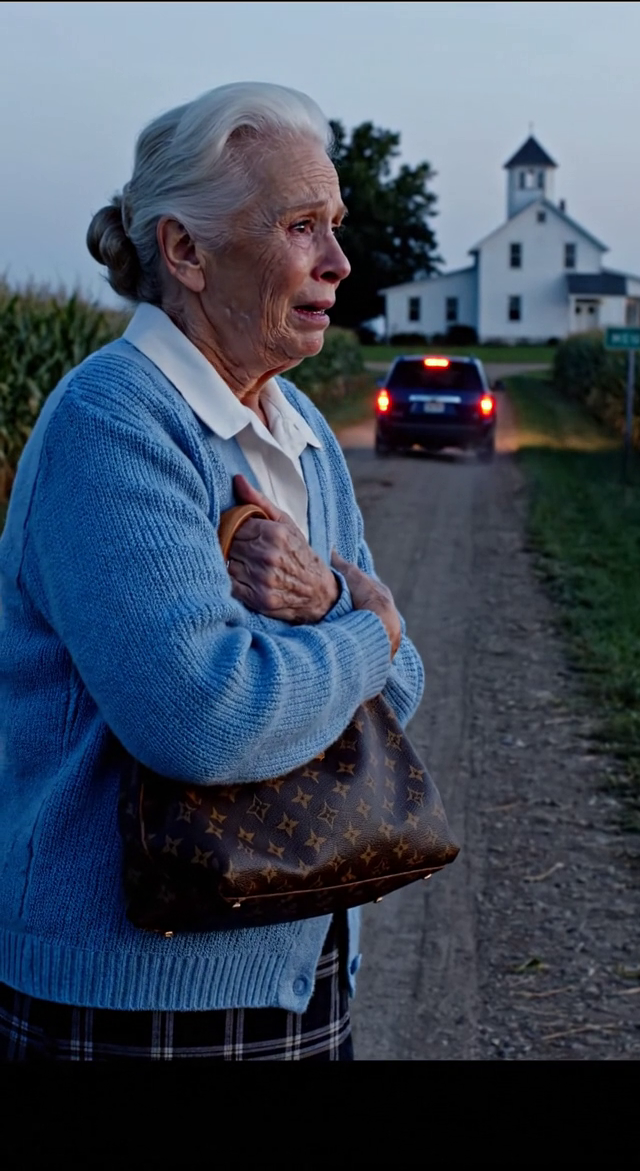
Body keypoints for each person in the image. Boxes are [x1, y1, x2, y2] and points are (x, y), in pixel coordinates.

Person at [0, 82, 424, 1061]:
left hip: (302, 958)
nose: (339, 262)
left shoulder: (304, 428)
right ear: (185, 252)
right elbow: (201, 717)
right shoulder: (114, 421)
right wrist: (361, 626)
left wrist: (326, 602)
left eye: (337, 226)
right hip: (132, 995)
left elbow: (403, 685)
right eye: (300, 226)